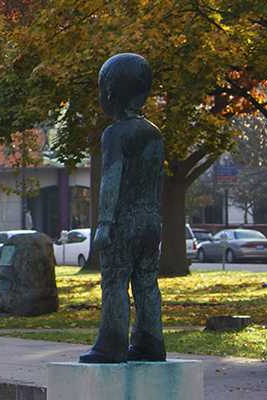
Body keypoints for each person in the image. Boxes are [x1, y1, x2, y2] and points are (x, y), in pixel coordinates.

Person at [79, 53, 166, 364]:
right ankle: (151, 343)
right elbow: (158, 182)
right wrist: (157, 221)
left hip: (122, 222)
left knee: (115, 279)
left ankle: (112, 345)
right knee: (147, 283)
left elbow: (111, 179)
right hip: (149, 221)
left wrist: (104, 223)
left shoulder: (114, 133)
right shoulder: (155, 132)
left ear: (111, 93)